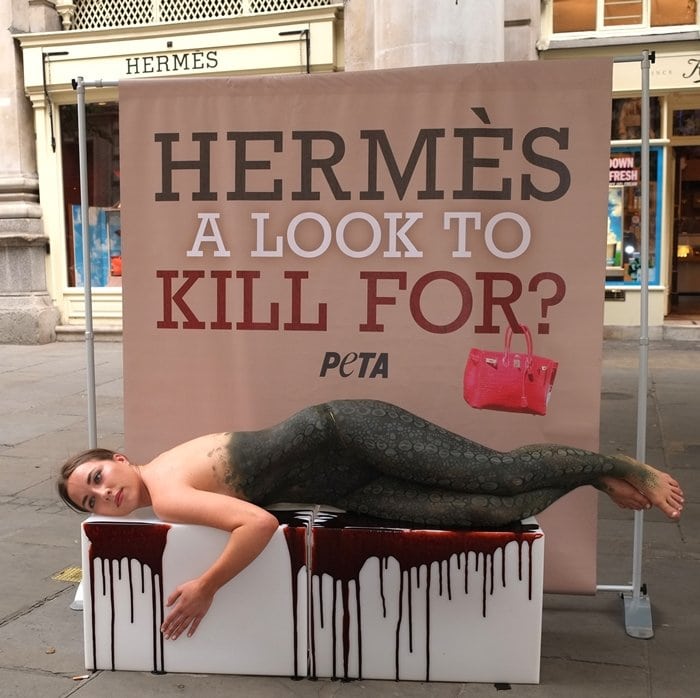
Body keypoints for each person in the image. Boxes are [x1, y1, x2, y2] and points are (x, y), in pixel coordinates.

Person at [58, 399, 683, 641]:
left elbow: (257, 526)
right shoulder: (162, 481)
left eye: (96, 479)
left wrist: (205, 588)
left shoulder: (165, 491)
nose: (103, 496)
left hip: (348, 432)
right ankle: (590, 476)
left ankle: (617, 464)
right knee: (489, 513)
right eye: (90, 501)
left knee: (498, 476)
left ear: (117, 458)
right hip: (348, 481)